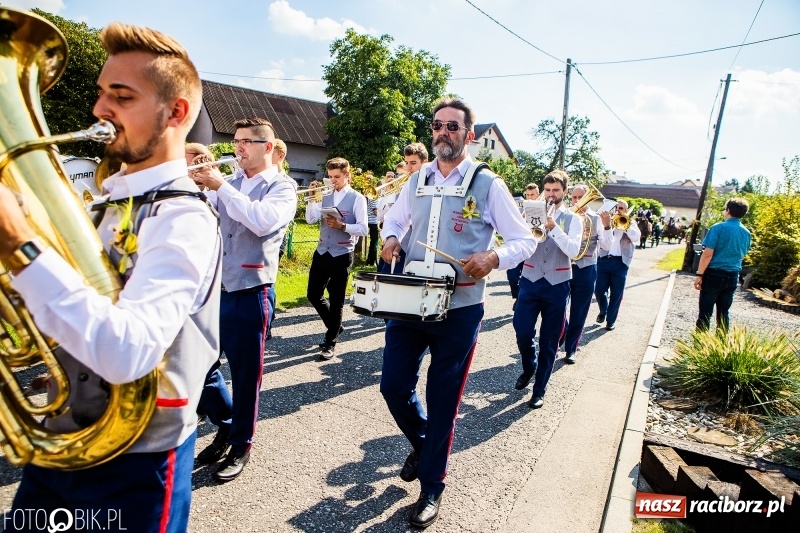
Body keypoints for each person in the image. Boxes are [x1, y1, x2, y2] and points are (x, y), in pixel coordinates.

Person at [0, 22, 219, 531]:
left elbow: (128, 352)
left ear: (176, 112)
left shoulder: (184, 219)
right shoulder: (105, 203)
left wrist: (21, 245)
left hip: (135, 465)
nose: (100, 109)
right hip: (59, 444)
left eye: (121, 97)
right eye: (101, 93)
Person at [380, 97, 536, 529]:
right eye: (437, 125)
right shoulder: (417, 180)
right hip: (411, 301)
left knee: (443, 399)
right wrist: (392, 239)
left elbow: (525, 240)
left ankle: (432, 486)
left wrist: (494, 258)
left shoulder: (488, 184)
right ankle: (426, 443)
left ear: (469, 135)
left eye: (453, 126)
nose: (443, 132)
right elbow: (395, 221)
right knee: (393, 387)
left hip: (461, 306)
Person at [192, 119, 297, 482]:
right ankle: (225, 423)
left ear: (267, 147)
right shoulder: (230, 181)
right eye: (235, 141)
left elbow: (261, 221)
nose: (236, 148)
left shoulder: (283, 187)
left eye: (245, 142)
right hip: (214, 289)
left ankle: (241, 443)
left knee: (245, 375)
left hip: (252, 290)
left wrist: (220, 186)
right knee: (200, 365)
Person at [512, 170, 582, 409]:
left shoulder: (574, 219)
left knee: (550, 341)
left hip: (558, 284)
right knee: (521, 330)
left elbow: (573, 251)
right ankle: (529, 365)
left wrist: (553, 228)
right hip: (530, 279)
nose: (551, 195)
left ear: (564, 192)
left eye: (556, 191)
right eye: (548, 190)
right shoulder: (532, 211)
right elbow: (519, 241)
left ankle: (539, 389)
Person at [305, 157, 368, 360]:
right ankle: (336, 326)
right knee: (313, 294)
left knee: (337, 299)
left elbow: (364, 228)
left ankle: (330, 341)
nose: (333, 181)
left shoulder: (357, 198)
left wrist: (342, 226)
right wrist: (312, 199)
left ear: (347, 175)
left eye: (337, 177)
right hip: (323, 250)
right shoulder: (325, 195)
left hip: (342, 253)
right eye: (330, 177)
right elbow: (310, 219)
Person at [561, 184, 613, 363]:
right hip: (564, 267)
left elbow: (606, 246)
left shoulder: (596, 219)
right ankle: (562, 332)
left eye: (580, 197)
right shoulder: (566, 215)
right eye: (574, 198)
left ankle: (571, 348)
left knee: (579, 311)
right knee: (558, 308)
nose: (577, 201)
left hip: (586, 269)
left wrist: (607, 227)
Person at [694, 198, 751, 331]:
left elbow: (707, 253)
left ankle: (699, 344)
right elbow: (742, 254)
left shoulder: (718, 228)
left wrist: (699, 274)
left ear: (728, 210)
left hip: (714, 273)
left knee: (705, 313)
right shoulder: (746, 233)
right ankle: (721, 344)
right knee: (724, 313)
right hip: (733, 275)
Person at [378, 143, 430, 275]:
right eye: (406, 162)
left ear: (425, 162)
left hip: (419, 250)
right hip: (399, 244)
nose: (408, 168)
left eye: (413, 163)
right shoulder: (405, 184)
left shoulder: (431, 185)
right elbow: (389, 213)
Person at [594, 199, 641, 331]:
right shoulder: (605, 222)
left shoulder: (631, 223)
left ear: (625, 211)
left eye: (620, 208)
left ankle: (610, 321)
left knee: (616, 293)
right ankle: (603, 310)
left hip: (621, 262)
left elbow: (636, 237)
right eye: (616, 208)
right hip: (603, 260)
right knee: (598, 290)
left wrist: (625, 226)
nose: (617, 210)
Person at [506, 183, 540, 307]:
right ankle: (518, 296)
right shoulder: (520, 207)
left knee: (528, 278)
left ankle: (522, 300)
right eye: (528, 195)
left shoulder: (543, 208)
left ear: (538, 194)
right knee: (512, 275)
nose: (530, 197)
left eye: (533, 195)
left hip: (535, 248)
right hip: (520, 245)